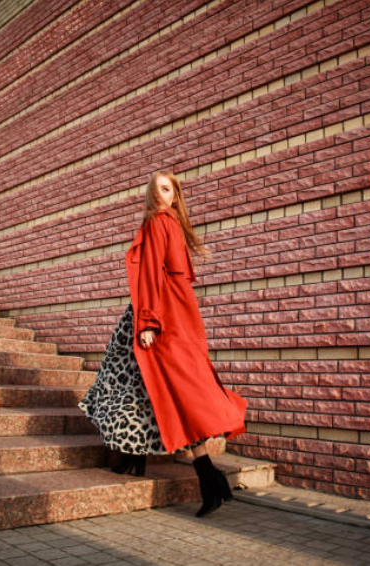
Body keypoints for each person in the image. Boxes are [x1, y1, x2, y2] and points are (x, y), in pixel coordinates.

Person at [78, 170, 247, 517]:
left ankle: (208, 479)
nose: (160, 194)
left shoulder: (159, 223)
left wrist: (149, 323)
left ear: (176, 195)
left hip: (157, 317)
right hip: (170, 315)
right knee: (134, 382)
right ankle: (133, 457)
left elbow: (153, 272)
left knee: (165, 391)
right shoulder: (173, 225)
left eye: (167, 189)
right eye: (155, 189)